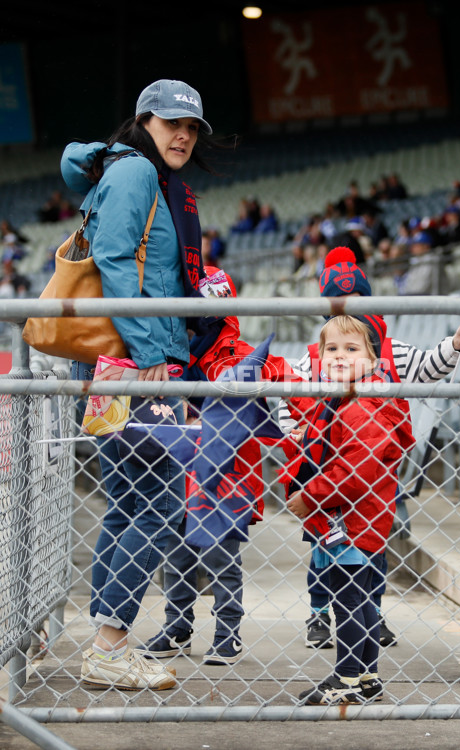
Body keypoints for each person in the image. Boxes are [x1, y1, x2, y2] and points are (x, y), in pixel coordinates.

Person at [64, 78, 218, 691]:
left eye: (192, 127)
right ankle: (107, 645)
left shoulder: (143, 174)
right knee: (158, 505)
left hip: (125, 362)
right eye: (169, 123)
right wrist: (155, 351)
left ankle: (109, 642)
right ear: (142, 122)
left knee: (131, 502)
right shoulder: (134, 174)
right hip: (136, 364)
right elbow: (115, 260)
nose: (182, 134)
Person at [278, 247, 460, 650]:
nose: (347, 318)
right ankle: (320, 613)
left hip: (376, 472)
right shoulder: (317, 352)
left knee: (373, 547)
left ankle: (370, 612)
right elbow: (291, 399)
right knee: (323, 546)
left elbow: (426, 369)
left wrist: (454, 344)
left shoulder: (391, 347)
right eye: (337, 309)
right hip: (328, 471)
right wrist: (294, 432)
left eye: (356, 304)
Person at [136, 268, 298, 666]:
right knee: (177, 553)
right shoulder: (177, 356)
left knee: (221, 557)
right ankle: (177, 628)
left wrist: (257, 383)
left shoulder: (233, 354)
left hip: (227, 477)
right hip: (182, 472)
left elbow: (279, 370)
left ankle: (228, 634)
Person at [283, 314, 415, 704]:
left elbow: (355, 471)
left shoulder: (362, 407)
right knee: (360, 601)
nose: (340, 356)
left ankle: (346, 679)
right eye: (332, 349)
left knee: (349, 602)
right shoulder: (343, 401)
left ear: (373, 359)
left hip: (353, 522)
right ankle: (367, 678)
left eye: (352, 349)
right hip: (353, 521)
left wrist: (310, 496)